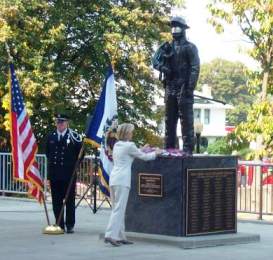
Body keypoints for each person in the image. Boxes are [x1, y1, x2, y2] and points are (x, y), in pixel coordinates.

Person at [104, 123, 161, 246]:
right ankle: (110, 235)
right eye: (131, 132)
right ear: (127, 133)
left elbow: (131, 154)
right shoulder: (130, 145)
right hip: (122, 180)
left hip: (114, 179)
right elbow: (145, 157)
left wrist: (141, 149)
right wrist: (156, 153)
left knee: (117, 208)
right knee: (119, 209)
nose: (132, 133)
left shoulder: (117, 145)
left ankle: (120, 236)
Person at [152, 16, 200, 155]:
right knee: (169, 120)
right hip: (170, 87)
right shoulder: (166, 47)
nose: (174, 30)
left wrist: (190, 88)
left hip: (184, 88)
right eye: (172, 27)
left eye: (177, 27)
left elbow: (195, 68)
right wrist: (163, 68)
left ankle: (187, 149)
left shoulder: (190, 48)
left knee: (186, 120)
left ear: (183, 29)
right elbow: (155, 61)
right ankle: (169, 148)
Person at [46, 113, 82, 233]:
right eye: (58, 122)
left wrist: (74, 166)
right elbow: (48, 154)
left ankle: (70, 224)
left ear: (67, 123)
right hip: (55, 174)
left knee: (69, 200)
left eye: (62, 122)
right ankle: (59, 223)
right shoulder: (51, 136)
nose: (60, 124)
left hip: (69, 174)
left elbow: (81, 154)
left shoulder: (74, 137)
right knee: (56, 200)